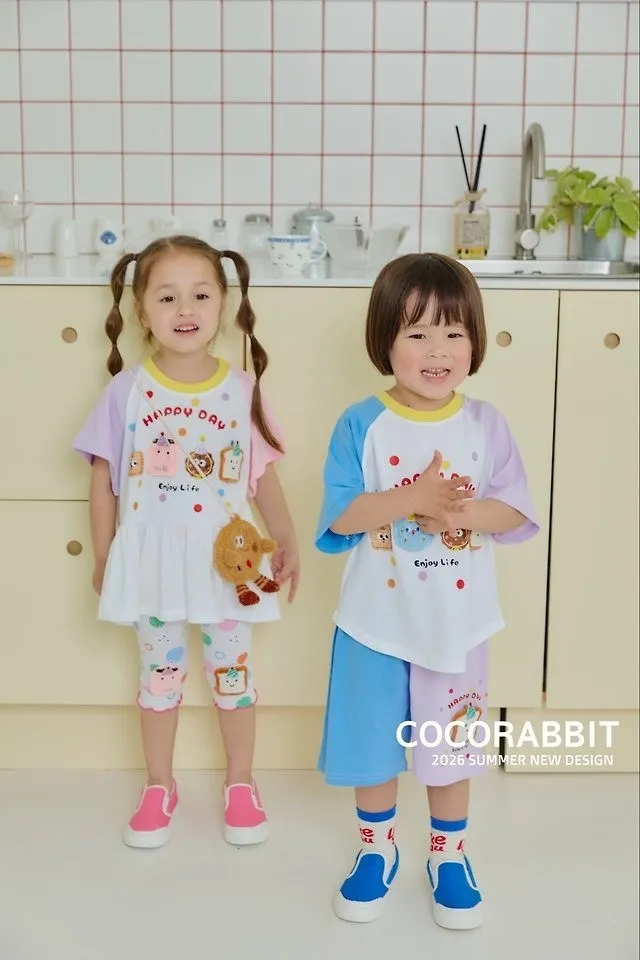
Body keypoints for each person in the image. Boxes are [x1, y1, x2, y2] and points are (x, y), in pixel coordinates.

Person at [314, 253, 537, 929]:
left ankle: (449, 855)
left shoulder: (485, 424)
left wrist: (458, 513)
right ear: (385, 341)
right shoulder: (362, 423)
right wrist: (412, 497)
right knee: (371, 743)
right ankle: (375, 848)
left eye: (453, 333)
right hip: (374, 622)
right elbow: (341, 517)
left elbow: (514, 511)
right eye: (417, 334)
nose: (437, 350)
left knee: (450, 744)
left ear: (475, 342)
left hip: (455, 625)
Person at [73, 235, 299, 850]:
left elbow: (262, 476)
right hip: (153, 566)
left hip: (227, 566)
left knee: (234, 678)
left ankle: (241, 784)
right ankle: (159, 785)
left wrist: (285, 538)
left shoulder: (242, 390)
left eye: (200, 294)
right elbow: (103, 480)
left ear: (223, 303)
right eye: (167, 297)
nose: (185, 309)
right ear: (142, 311)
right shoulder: (126, 391)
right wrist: (104, 555)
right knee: (158, 679)